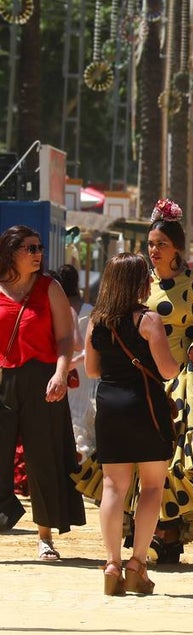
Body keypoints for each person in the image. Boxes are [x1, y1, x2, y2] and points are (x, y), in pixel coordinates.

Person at [74, 199, 193, 564]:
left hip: (180, 379)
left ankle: (167, 533)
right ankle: (136, 538)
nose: (153, 250)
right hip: (139, 379)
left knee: (175, 462)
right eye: (150, 244)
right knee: (138, 468)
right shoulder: (138, 282)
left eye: (161, 244)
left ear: (177, 248)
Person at [85, 253, 180, 595]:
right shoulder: (148, 319)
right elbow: (168, 370)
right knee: (152, 487)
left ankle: (111, 563)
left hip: (110, 406)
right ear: (139, 282)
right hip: (145, 406)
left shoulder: (96, 321)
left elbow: (93, 370)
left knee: (113, 487)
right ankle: (137, 564)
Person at [0, 225, 86, 557]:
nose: (38, 254)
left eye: (39, 248)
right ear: (10, 252)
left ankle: (45, 536)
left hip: (42, 377)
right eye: (30, 249)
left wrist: (61, 374)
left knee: (43, 458)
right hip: (4, 378)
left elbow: (66, 339)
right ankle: (7, 513)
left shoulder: (50, 288)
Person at [58, 264, 97, 460]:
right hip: (82, 366)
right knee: (81, 406)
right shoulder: (90, 310)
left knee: (65, 406)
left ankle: (69, 450)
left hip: (61, 364)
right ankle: (81, 452)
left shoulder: (58, 309)